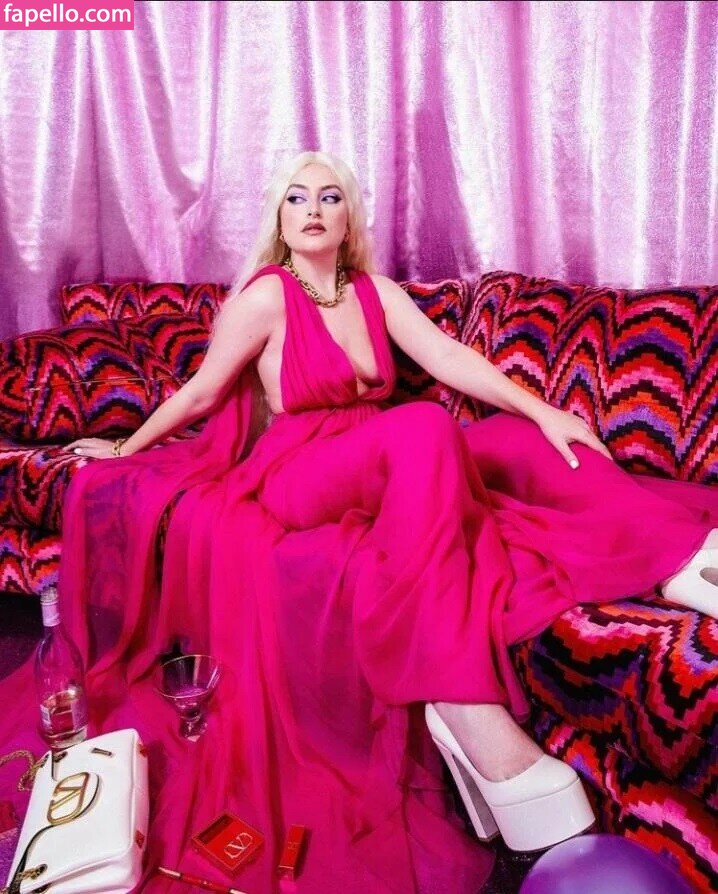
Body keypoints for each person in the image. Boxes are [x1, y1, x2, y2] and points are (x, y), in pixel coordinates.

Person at [59, 151, 717, 891]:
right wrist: (126, 447)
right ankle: (460, 700)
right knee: (426, 426)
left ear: (349, 218)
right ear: (279, 217)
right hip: (299, 470)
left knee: (513, 441)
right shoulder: (267, 295)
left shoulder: (372, 291)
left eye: (329, 197)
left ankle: (688, 562)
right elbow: (203, 394)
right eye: (297, 198)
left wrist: (543, 411)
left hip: (376, 459)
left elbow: (447, 355)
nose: (313, 209)